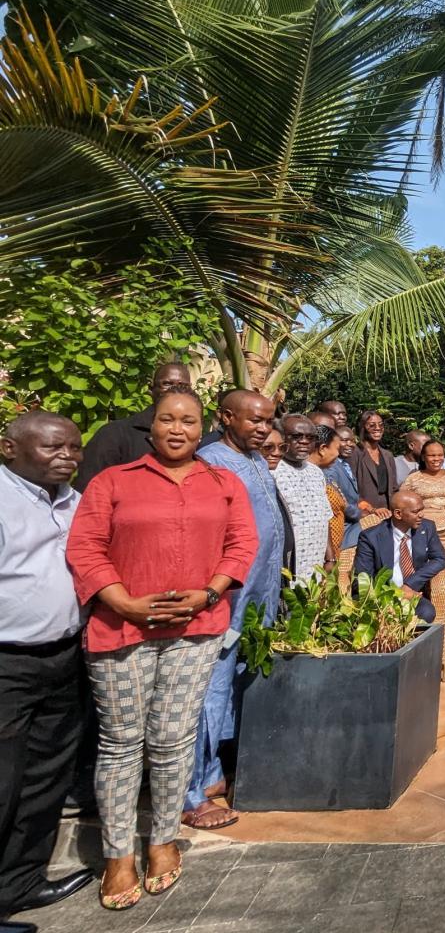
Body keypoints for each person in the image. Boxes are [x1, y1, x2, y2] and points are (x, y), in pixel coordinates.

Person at [67, 389, 257, 910]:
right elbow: (84, 546)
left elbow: (242, 543)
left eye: (188, 421)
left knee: (173, 739)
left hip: (195, 629)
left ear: (203, 429)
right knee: (122, 744)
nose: (178, 429)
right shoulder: (114, 481)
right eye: (167, 419)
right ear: (151, 426)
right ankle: (117, 855)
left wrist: (211, 592)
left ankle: (164, 839)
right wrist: (123, 602)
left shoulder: (223, 483)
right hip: (121, 632)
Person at [0, 413, 94, 928]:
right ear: (10, 448)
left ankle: (20, 882)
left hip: (61, 658)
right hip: (7, 662)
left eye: (75, 448)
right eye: (53, 447)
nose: (67, 456)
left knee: (44, 776)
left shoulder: (74, 502)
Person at [185, 390, 284, 830]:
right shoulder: (211, 462)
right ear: (226, 417)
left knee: (239, 680)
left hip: (259, 597)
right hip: (227, 597)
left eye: (268, 420)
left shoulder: (258, 460)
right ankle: (196, 787)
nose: (263, 428)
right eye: (254, 420)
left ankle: (220, 768)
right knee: (211, 688)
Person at [73, 363, 192, 490]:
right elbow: (88, 490)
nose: (175, 390)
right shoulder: (114, 435)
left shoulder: (191, 437)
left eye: (183, 386)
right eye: (167, 384)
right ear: (151, 390)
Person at [352, 492, 443, 622]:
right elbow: (361, 579)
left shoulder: (427, 528)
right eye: (415, 511)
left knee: (427, 612)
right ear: (398, 514)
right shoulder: (371, 537)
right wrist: (396, 594)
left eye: (422, 510)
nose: (421, 515)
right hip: (381, 596)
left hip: (412, 592)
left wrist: (409, 585)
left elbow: (439, 558)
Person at [271, 415, 332, 582]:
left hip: (316, 566)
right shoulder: (272, 471)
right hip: (287, 566)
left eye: (310, 437)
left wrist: (330, 557)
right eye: (297, 437)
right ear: (282, 438)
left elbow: (325, 517)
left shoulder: (316, 472)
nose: (304, 441)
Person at [399, 440, 445, 559]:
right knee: (425, 569)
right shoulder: (413, 479)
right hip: (421, 532)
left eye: (440, 455)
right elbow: (402, 504)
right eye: (432, 455)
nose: (437, 459)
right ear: (424, 457)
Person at [308, 424, 351, 561]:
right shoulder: (308, 477)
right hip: (316, 557)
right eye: (337, 448)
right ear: (322, 449)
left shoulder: (319, 475)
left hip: (330, 554)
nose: (339, 454)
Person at [322, 426, 363, 552]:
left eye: (352, 440)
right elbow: (338, 500)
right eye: (344, 440)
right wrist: (359, 514)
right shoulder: (331, 467)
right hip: (343, 529)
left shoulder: (344, 464)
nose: (350, 444)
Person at [348, 410, 397, 514]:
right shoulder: (354, 453)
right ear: (362, 427)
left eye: (380, 425)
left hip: (387, 511)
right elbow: (349, 489)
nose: (378, 428)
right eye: (372, 425)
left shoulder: (388, 455)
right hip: (365, 511)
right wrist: (369, 509)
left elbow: (394, 487)